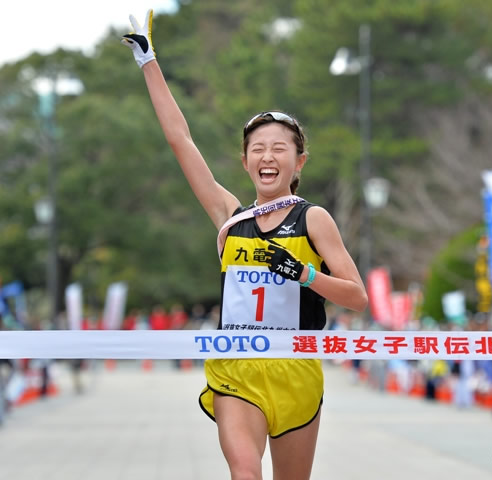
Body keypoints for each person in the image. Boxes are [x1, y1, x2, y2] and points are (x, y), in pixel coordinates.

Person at [122, 10, 368, 480]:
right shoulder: (230, 217)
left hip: (296, 367)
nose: (267, 156)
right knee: (244, 473)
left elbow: (357, 297)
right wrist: (147, 61)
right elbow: (180, 140)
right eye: (258, 148)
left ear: (299, 162)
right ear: (245, 161)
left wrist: (304, 274)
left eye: (279, 148)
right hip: (236, 367)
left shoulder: (313, 218)